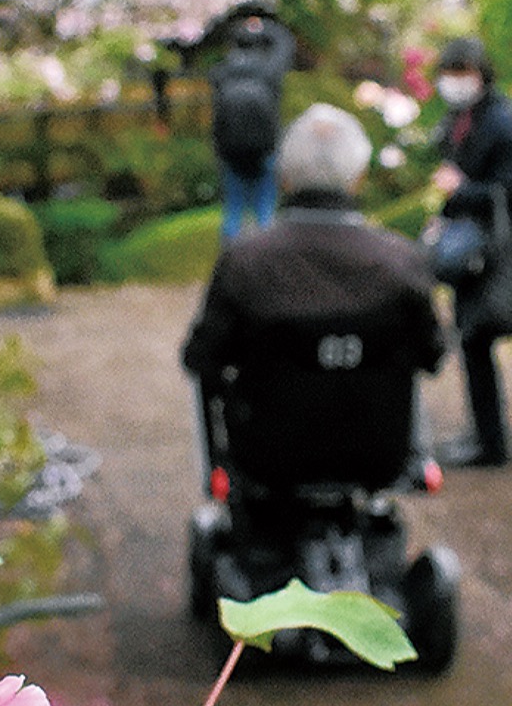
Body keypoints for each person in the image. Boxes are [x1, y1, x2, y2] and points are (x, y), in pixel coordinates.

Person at [183, 102, 446, 492]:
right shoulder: (401, 263)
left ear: (285, 178)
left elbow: (202, 357)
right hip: (377, 456)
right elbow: (433, 354)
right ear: (358, 178)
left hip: (269, 456)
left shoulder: (246, 262)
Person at [430, 35, 512, 466]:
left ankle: (491, 441)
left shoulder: (501, 121)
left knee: (480, 338)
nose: (456, 83)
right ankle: (488, 438)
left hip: (497, 252)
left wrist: (460, 191)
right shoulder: (461, 118)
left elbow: (504, 188)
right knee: (475, 343)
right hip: (473, 250)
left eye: (463, 73)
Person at [209, 12, 295, 241]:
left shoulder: (221, 73)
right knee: (265, 212)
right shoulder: (269, 72)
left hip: (231, 152)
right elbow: (286, 43)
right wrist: (264, 26)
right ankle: (266, 266)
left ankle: (229, 264)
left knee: (233, 212)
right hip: (264, 149)